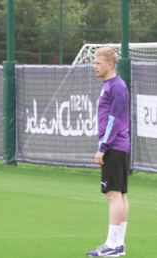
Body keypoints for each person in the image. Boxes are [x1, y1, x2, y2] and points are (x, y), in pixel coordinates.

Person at [87, 47, 130, 257]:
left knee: (113, 195)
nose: (94, 66)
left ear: (110, 64)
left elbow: (114, 120)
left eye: (97, 62)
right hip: (118, 146)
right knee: (119, 194)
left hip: (113, 146)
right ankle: (118, 245)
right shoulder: (111, 85)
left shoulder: (116, 86)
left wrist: (102, 148)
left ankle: (112, 245)